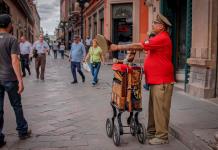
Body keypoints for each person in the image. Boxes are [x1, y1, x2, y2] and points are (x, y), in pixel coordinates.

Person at [109, 13, 175, 145]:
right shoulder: (158, 38)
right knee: (154, 109)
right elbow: (145, 50)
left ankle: (162, 136)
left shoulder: (162, 38)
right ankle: (152, 131)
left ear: (161, 26)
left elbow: (140, 45)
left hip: (162, 81)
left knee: (160, 110)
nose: (152, 25)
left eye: (154, 23)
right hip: (156, 81)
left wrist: (118, 47)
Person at [0, 14, 31, 147]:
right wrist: (20, 80)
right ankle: (22, 131)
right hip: (10, 79)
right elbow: (14, 60)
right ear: (9, 25)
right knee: (16, 106)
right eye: (11, 23)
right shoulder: (12, 39)